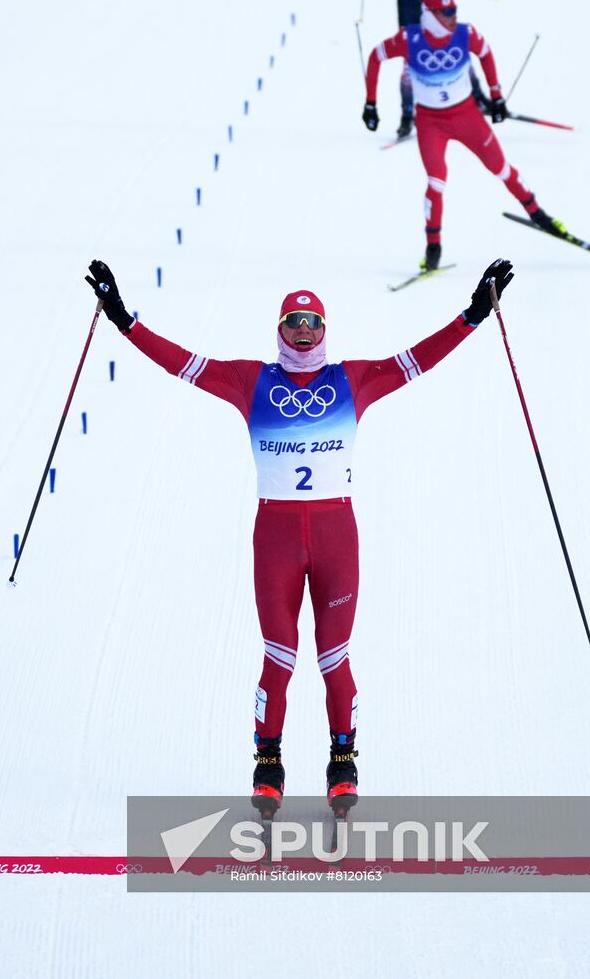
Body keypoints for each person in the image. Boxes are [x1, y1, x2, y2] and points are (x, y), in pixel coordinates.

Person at [84, 256, 514, 814]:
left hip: (337, 537)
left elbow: (418, 361)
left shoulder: (353, 380)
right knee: (279, 657)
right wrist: (122, 318)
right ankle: (268, 763)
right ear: (280, 329)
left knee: (334, 657)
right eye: (294, 322)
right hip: (277, 540)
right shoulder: (250, 380)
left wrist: (474, 316)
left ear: (325, 330)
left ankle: (343, 761)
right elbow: (181, 364)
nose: (304, 332)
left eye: (312, 323)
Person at [363, 0, 565, 271]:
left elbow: (485, 53)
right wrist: (370, 103)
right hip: (430, 122)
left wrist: (496, 96)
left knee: (501, 168)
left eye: (455, 11)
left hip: (466, 115)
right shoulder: (409, 38)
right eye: (446, 13)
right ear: (429, 15)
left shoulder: (465, 34)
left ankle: (539, 215)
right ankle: (433, 249)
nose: (453, 18)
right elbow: (375, 57)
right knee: (436, 181)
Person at [389, 0, 488, 140]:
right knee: (409, 59)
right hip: (408, 0)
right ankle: (407, 114)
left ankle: (478, 97)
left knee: (452, 45)